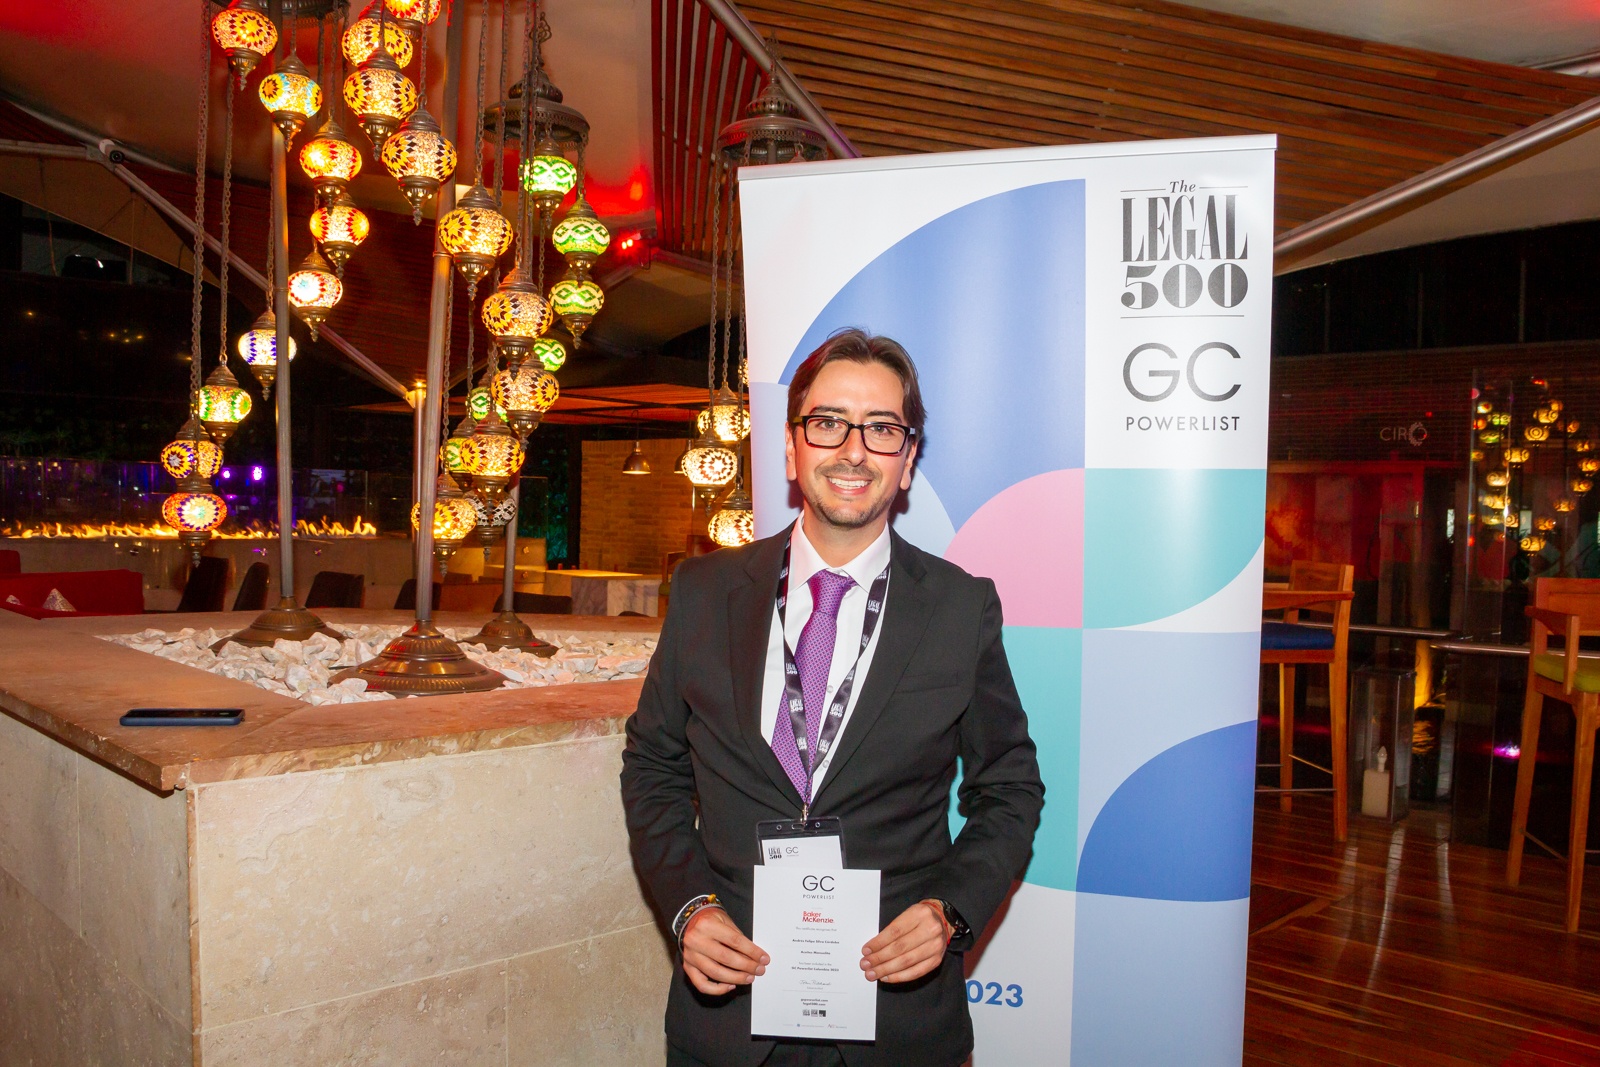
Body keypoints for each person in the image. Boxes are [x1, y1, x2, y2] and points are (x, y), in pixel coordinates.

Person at [621, 328, 1044, 1067]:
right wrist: (689, 907)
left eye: (881, 429)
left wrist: (950, 911)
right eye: (828, 423)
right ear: (792, 449)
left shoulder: (960, 607)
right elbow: (653, 767)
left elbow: (1009, 788)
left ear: (907, 461)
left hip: (897, 1015)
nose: (853, 450)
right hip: (731, 1008)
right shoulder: (703, 591)